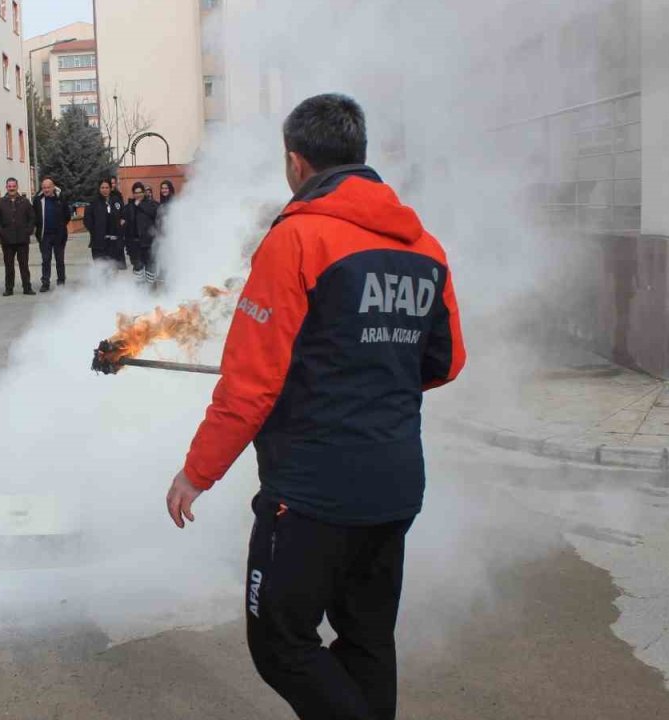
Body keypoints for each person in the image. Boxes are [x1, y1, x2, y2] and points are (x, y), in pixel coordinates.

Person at [164, 93, 465, 720]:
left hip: (312, 491)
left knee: (280, 641)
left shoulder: (296, 239)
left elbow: (249, 386)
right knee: (366, 637)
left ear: (297, 163)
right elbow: (444, 361)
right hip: (396, 481)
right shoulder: (426, 248)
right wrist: (372, 374)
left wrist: (197, 474)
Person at [0, 177, 35, 296]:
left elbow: (32, 218)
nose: (11, 188)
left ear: (17, 187)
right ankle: (9, 288)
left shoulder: (25, 202)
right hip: (7, 240)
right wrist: (1, 232)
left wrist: (28, 231)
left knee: (24, 265)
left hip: (22, 239)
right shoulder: (0, 202)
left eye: (13, 186)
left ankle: (27, 287)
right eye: (9, 186)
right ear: (6, 187)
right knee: (9, 266)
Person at [33, 177, 71, 293]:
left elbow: (67, 216)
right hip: (45, 236)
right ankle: (45, 283)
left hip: (59, 235)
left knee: (60, 260)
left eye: (48, 187)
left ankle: (61, 281)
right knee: (45, 260)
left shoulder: (61, 198)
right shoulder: (37, 200)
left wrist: (60, 227)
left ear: (53, 187)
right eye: (44, 187)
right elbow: (34, 216)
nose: (46, 189)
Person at [83, 180, 125, 269]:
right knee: (101, 269)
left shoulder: (116, 201)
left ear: (110, 189)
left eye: (107, 188)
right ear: (99, 189)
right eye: (102, 188)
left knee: (113, 268)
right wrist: (95, 232)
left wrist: (122, 222)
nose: (105, 190)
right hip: (99, 243)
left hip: (114, 242)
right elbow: (87, 220)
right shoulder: (93, 202)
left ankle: (113, 283)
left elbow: (123, 215)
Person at [125, 182, 159, 285]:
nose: (138, 195)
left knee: (150, 267)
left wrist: (140, 205)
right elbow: (125, 222)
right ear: (133, 193)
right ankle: (140, 292)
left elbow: (153, 213)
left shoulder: (151, 204)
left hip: (148, 242)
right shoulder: (129, 206)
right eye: (135, 193)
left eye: (140, 192)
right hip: (134, 243)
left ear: (144, 193)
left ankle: (150, 290)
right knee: (138, 267)